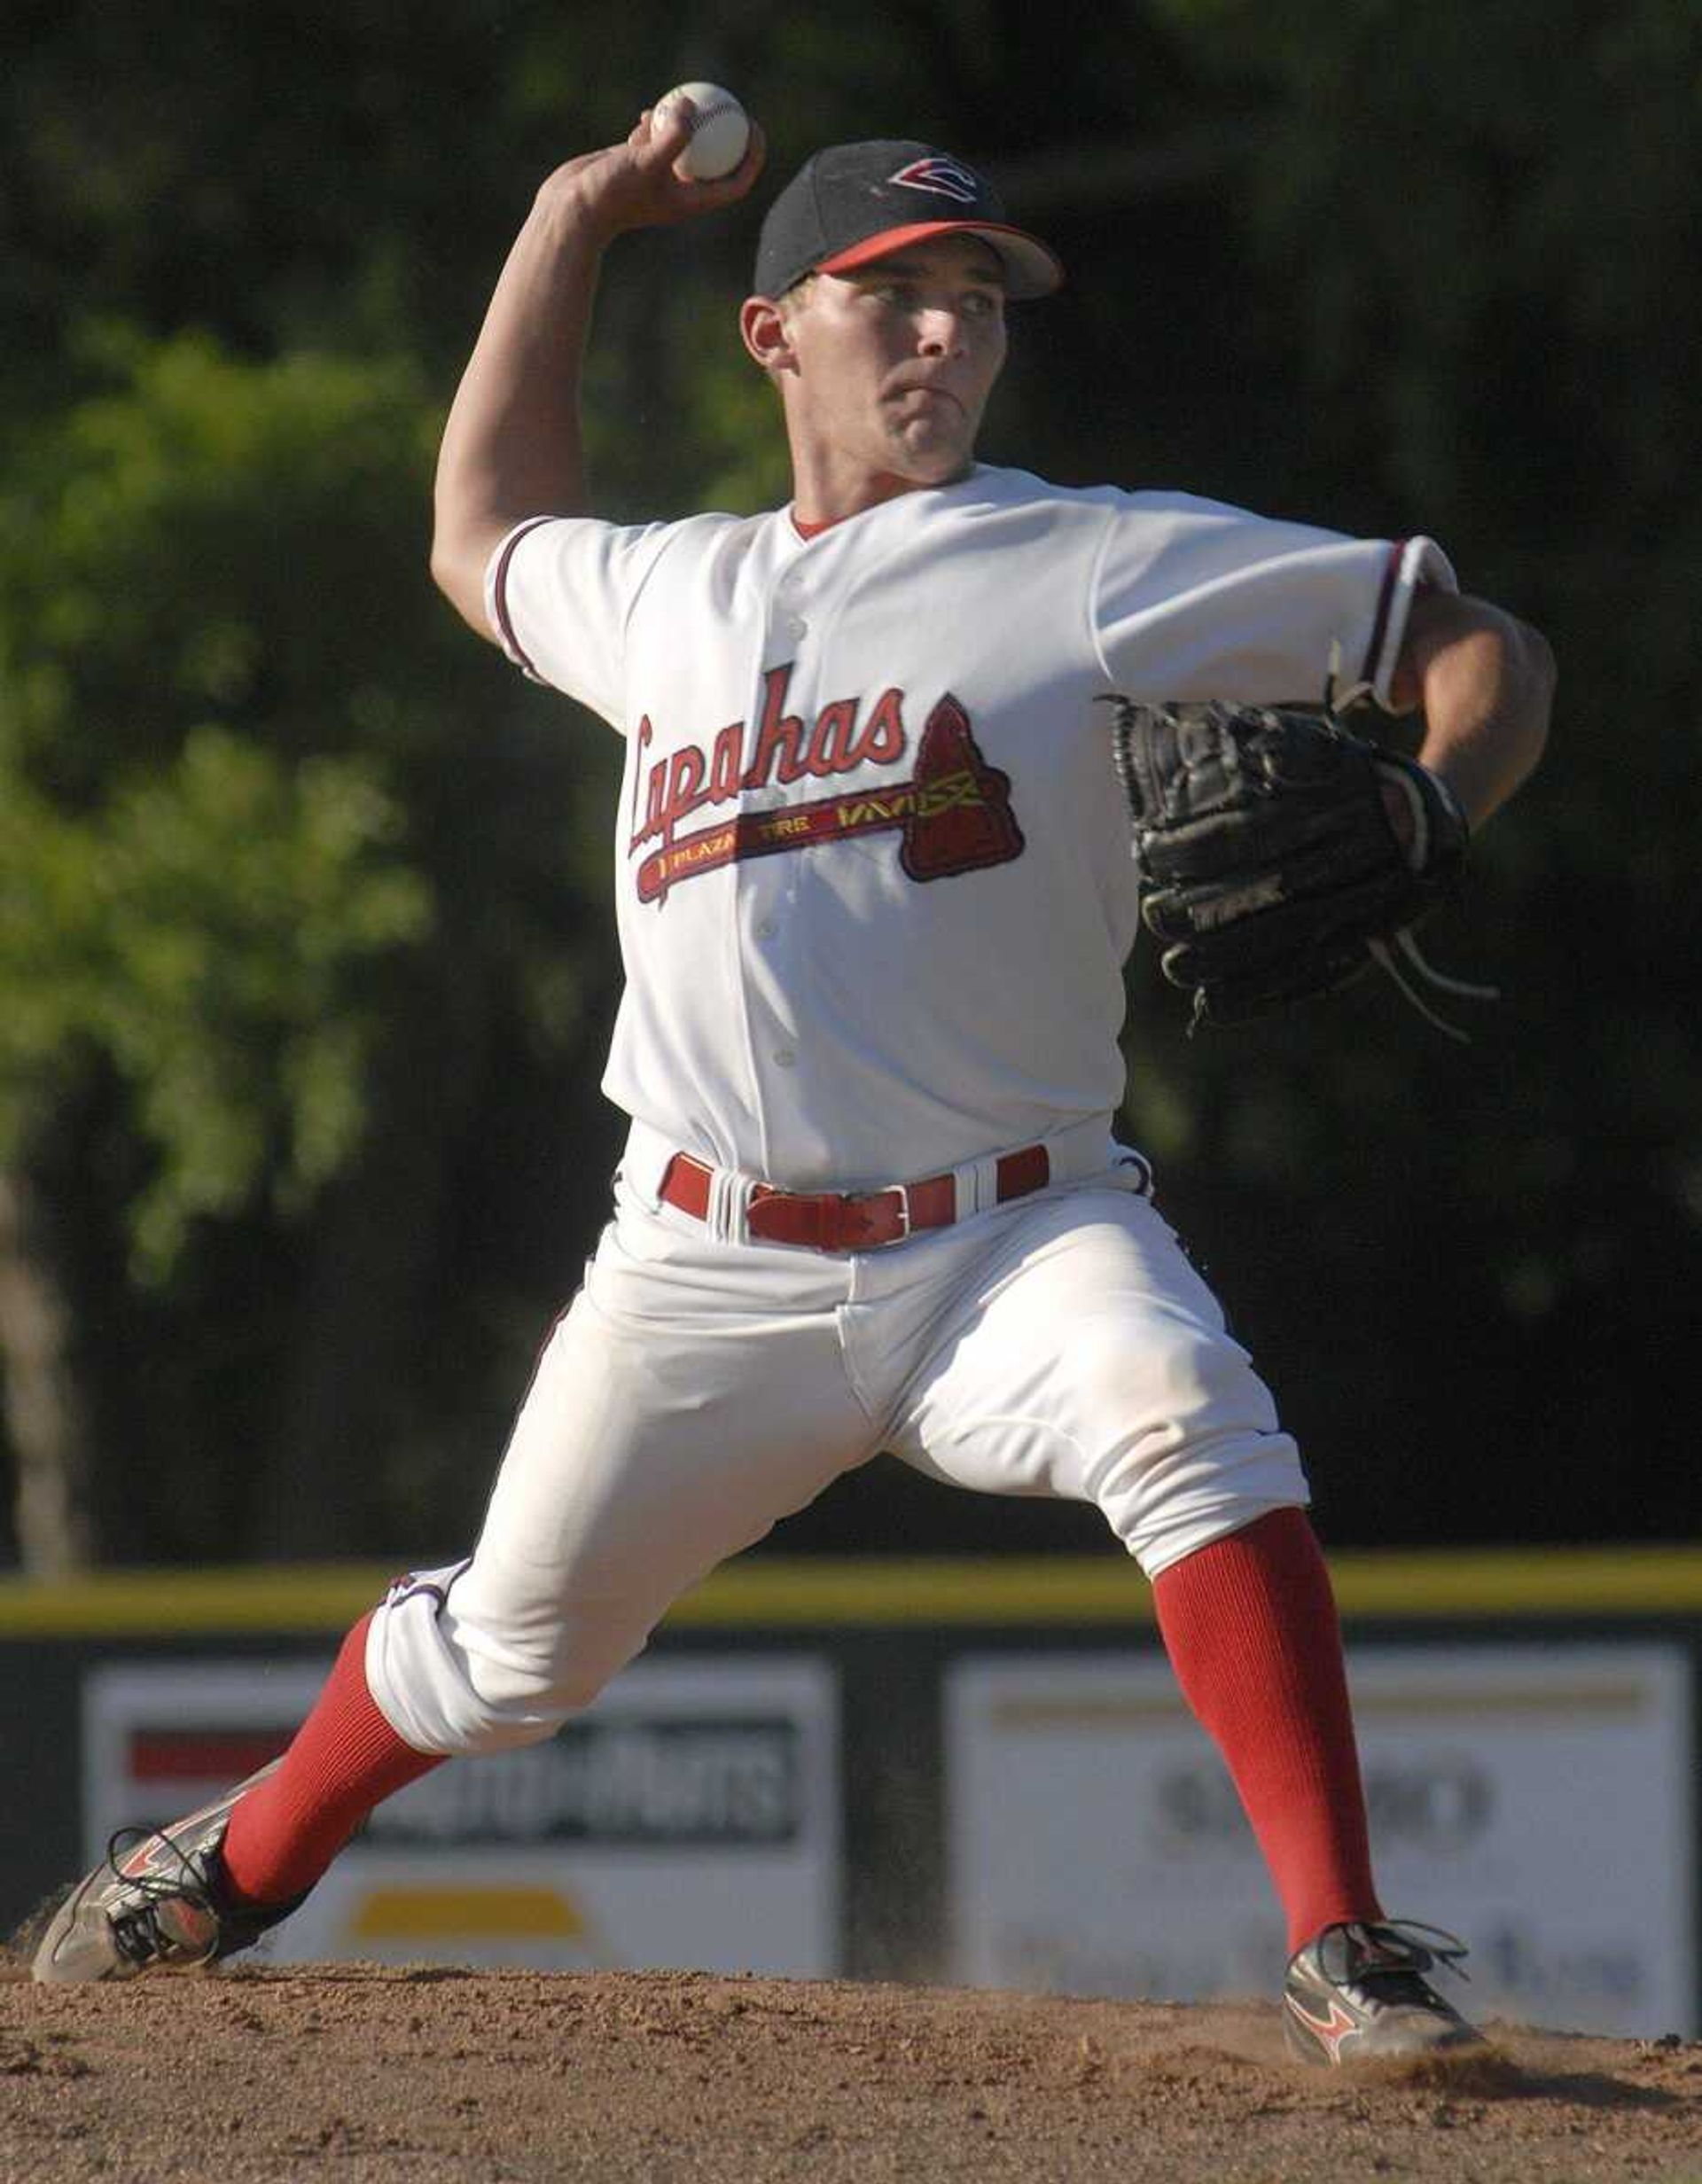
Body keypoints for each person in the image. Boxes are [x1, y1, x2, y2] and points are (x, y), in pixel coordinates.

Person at [32, 105, 1554, 2066]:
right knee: (504, 1652)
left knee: (1187, 1406)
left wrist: (1436, 795)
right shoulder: (669, 593)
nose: (945, 337)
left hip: (1014, 1229)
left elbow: (1474, 640)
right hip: (698, 1266)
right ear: (775, 339)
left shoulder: (1079, 560)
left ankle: (1351, 1943)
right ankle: (239, 1855)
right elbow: (477, 526)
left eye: (977, 306)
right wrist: (572, 210)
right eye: (894, 298)